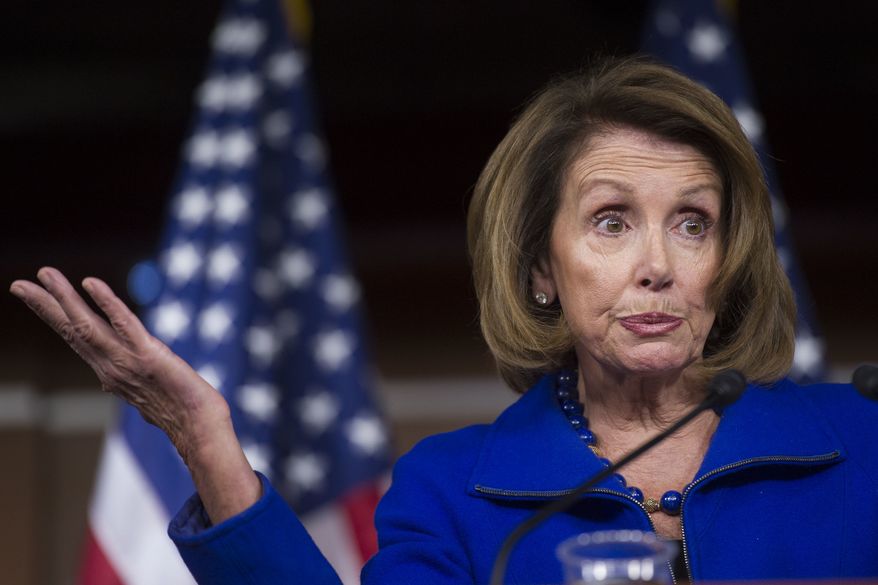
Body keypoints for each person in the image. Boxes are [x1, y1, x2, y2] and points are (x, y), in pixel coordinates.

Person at [11, 58, 878, 584]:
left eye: (693, 222)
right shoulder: (452, 491)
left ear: (727, 261)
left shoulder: (860, 444)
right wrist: (205, 439)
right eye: (612, 220)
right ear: (543, 265)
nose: (658, 262)